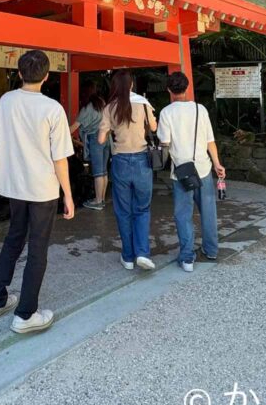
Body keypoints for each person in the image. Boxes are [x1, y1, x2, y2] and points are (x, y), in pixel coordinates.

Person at [0, 50, 75, 334]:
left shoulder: (6, 101)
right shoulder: (52, 109)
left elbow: (0, 138)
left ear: (20, 74)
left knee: (13, 239)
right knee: (37, 248)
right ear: (47, 76)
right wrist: (68, 195)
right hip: (42, 188)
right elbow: (60, 158)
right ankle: (25, 314)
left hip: (14, 185)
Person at [157, 72, 226, 272]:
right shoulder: (200, 109)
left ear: (169, 90)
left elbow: (165, 143)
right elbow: (209, 140)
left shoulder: (166, 113)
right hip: (203, 167)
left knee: (182, 214)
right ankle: (211, 250)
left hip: (181, 171)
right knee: (208, 211)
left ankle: (187, 257)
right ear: (187, 88)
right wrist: (217, 163)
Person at [99, 69, 158, 271]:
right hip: (142, 160)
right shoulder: (142, 102)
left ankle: (128, 256)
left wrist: (111, 132)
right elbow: (154, 127)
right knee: (142, 209)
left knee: (123, 211)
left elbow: (100, 139)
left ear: (114, 86)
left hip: (120, 161)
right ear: (131, 84)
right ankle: (142, 253)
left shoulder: (109, 107)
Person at [69, 81, 109, 210]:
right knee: (103, 171)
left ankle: (97, 202)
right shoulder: (101, 103)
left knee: (97, 172)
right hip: (106, 138)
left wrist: (60, 134)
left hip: (95, 139)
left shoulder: (87, 107)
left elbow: (75, 126)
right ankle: (101, 198)